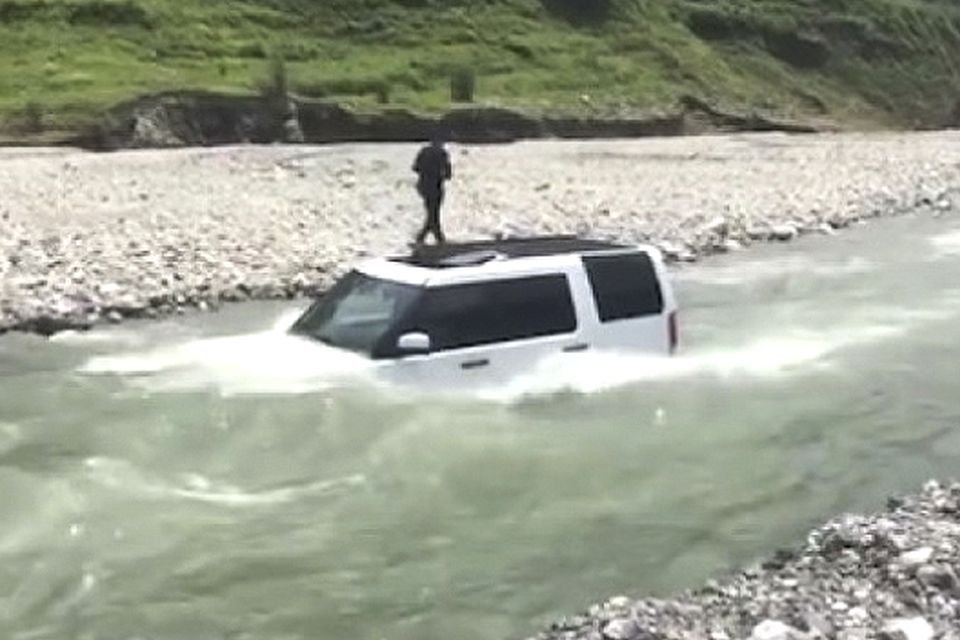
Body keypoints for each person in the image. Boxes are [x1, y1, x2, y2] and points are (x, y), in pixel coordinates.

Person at [412, 136, 452, 245]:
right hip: (435, 187)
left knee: (432, 213)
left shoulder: (423, 152)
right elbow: (448, 175)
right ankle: (435, 239)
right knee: (434, 213)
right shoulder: (443, 154)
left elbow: (415, 168)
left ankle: (430, 237)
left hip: (423, 186)